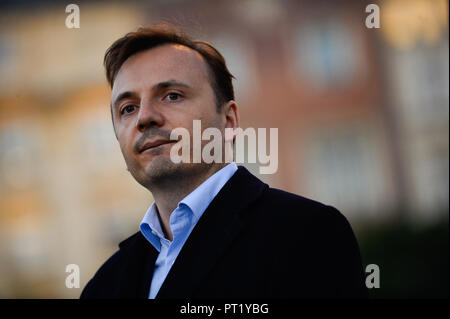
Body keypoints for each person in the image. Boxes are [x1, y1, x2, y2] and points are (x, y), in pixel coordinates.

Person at [80, 23, 367, 299]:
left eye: (172, 95)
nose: (144, 117)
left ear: (228, 121)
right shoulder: (105, 283)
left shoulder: (308, 236)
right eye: (128, 108)